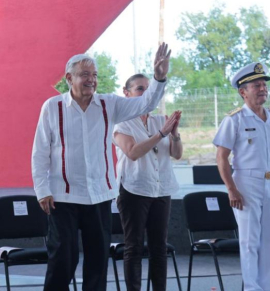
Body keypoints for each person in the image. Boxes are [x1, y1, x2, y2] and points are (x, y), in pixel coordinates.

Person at [32, 43, 172, 290]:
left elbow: (145, 104)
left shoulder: (109, 104)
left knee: (97, 262)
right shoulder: (52, 108)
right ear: (69, 78)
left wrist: (159, 77)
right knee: (63, 259)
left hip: (99, 196)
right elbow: (40, 151)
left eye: (94, 75)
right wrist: (42, 189)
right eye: (85, 74)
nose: (91, 80)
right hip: (62, 197)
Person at [213, 62, 270, 291]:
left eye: (264, 84)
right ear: (243, 92)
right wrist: (231, 188)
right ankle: (251, 288)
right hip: (246, 183)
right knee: (250, 241)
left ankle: (267, 287)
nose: (262, 88)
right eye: (256, 85)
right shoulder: (235, 119)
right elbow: (221, 157)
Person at [112, 73, 183, 291]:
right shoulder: (121, 123)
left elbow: (177, 154)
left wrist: (175, 133)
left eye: (148, 89)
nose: (145, 93)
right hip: (134, 189)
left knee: (158, 247)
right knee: (134, 247)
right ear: (127, 94)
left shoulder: (160, 120)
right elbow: (133, 152)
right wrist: (161, 133)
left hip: (161, 188)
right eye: (140, 89)